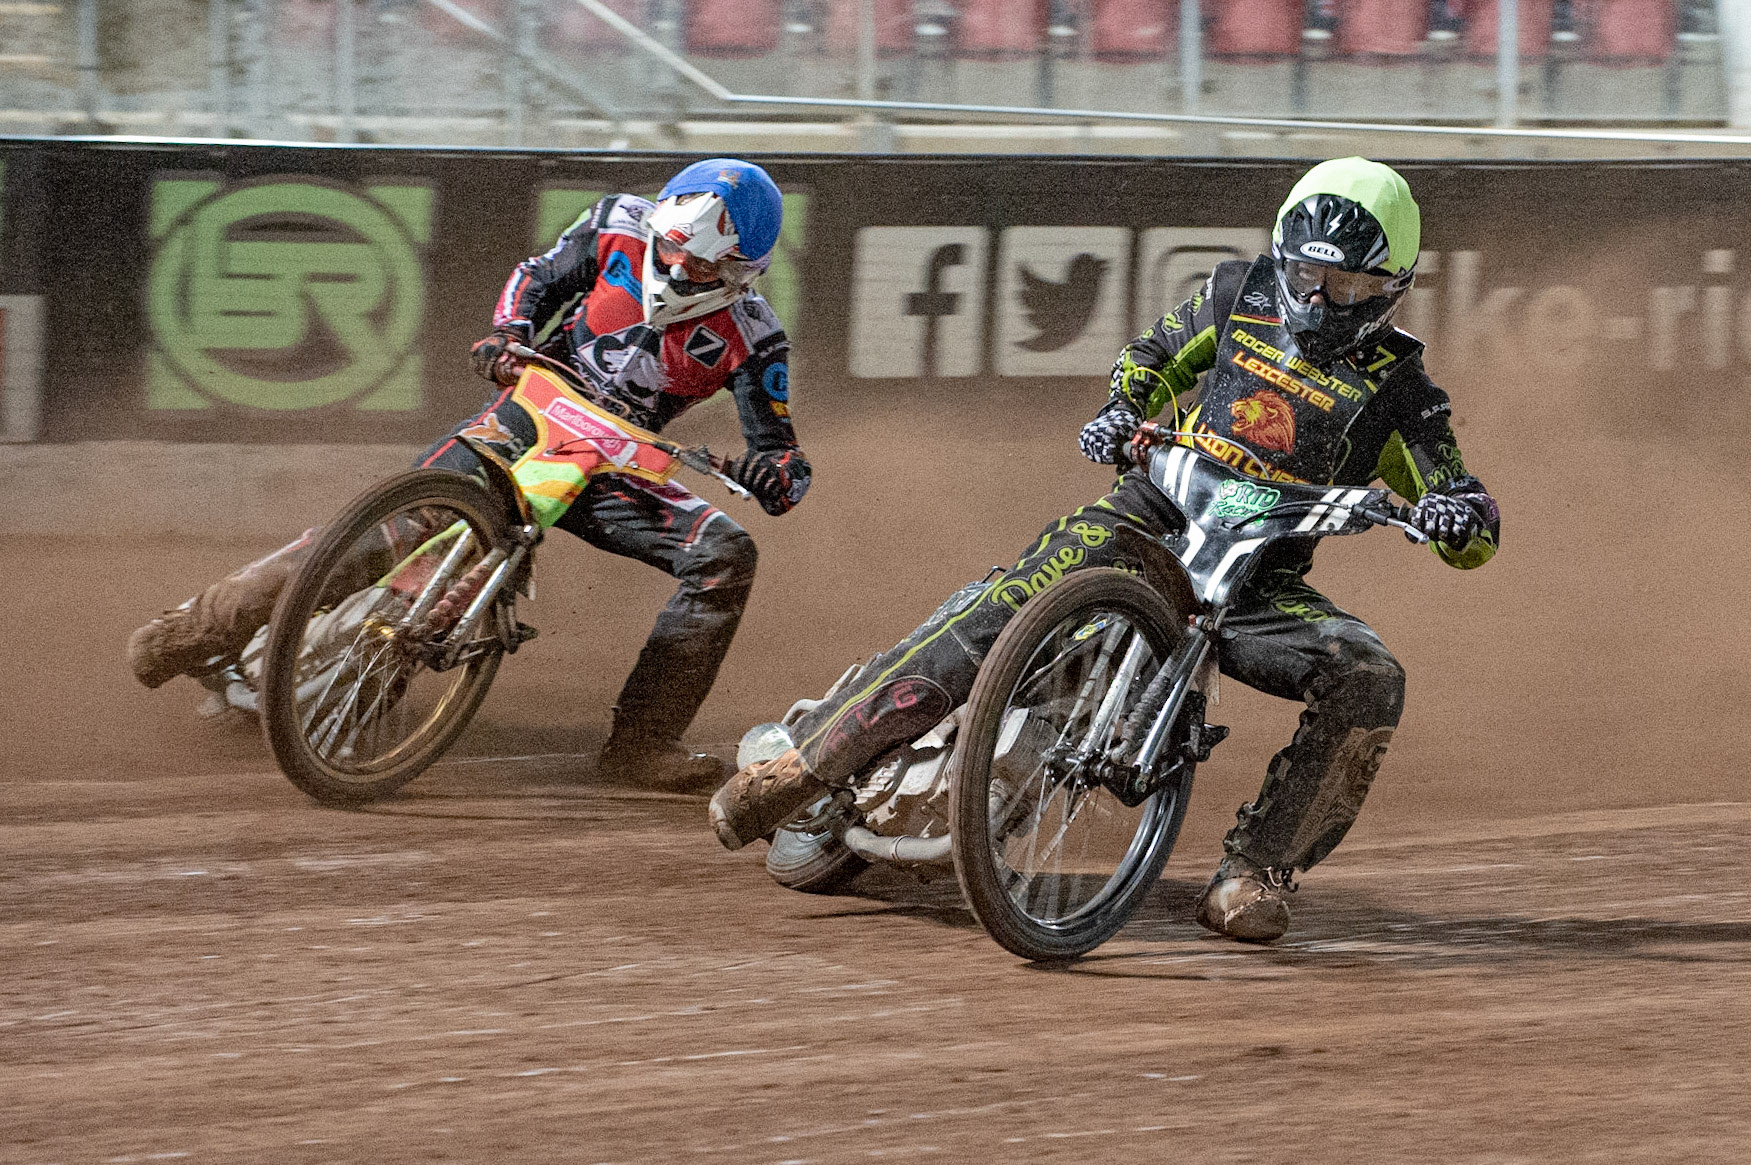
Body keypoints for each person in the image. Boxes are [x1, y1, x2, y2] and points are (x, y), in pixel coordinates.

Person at [709, 157, 1499, 942]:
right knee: (1006, 602)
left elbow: (1469, 514)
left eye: (1348, 288)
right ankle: (802, 768)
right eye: (1304, 274)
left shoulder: (1403, 387)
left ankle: (1254, 870)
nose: (1318, 299)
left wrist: (1457, 518)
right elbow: (1150, 358)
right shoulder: (1238, 294)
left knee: (1369, 676)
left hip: (1259, 584)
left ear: (1392, 285)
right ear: (1281, 258)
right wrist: (1121, 409)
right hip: (1146, 516)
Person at [128, 157, 810, 791]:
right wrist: (509, 333)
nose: (676, 265)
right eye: (671, 246)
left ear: (739, 273)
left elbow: (780, 450)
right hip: (527, 414)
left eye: (698, 264)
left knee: (726, 554)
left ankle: (642, 740)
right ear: (660, 220)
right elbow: (538, 278)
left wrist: (778, 474)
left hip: (614, 468)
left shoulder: (754, 335)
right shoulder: (615, 224)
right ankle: (200, 624)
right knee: (387, 532)